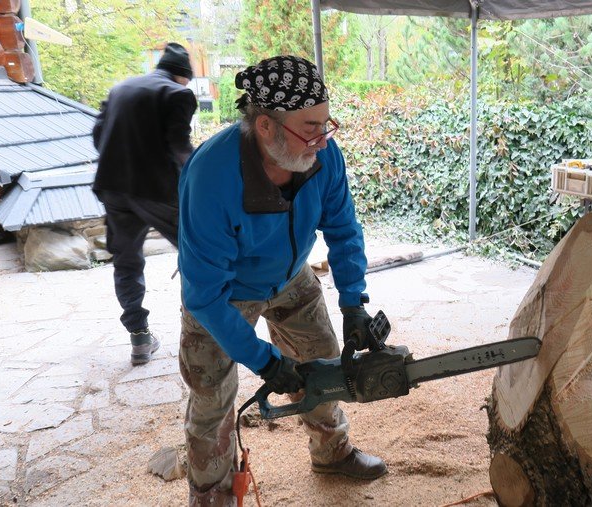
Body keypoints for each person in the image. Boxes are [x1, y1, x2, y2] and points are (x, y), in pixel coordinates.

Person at [177, 55, 387, 505]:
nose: (323, 140)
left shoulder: (323, 157)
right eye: (310, 128)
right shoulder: (210, 177)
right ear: (266, 126)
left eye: (326, 125)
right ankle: (212, 496)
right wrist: (264, 360)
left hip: (291, 277)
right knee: (212, 399)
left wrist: (353, 301)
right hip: (224, 293)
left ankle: (332, 453)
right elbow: (204, 295)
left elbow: (344, 230)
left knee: (323, 359)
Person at [92, 42, 198, 366]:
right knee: (198, 251)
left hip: (113, 187)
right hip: (158, 191)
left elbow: (98, 136)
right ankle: (203, 325)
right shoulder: (178, 94)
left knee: (126, 262)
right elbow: (180, 146)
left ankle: (139, 337)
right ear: (183, 75)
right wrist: (204, 173)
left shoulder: (120, 88)